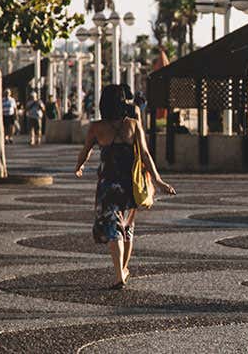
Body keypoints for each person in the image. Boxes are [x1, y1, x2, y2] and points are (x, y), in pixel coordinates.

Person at [75, 84, 176, 290]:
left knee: (113, 230)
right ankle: (124, 268)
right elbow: (146, 155)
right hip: (129, 185)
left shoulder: (96, 127)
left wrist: (80, 166)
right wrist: (158, 180)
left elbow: (85, 151)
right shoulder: (133, 124)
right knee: (127, 229)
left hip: (107, 186)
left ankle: (119, 273)